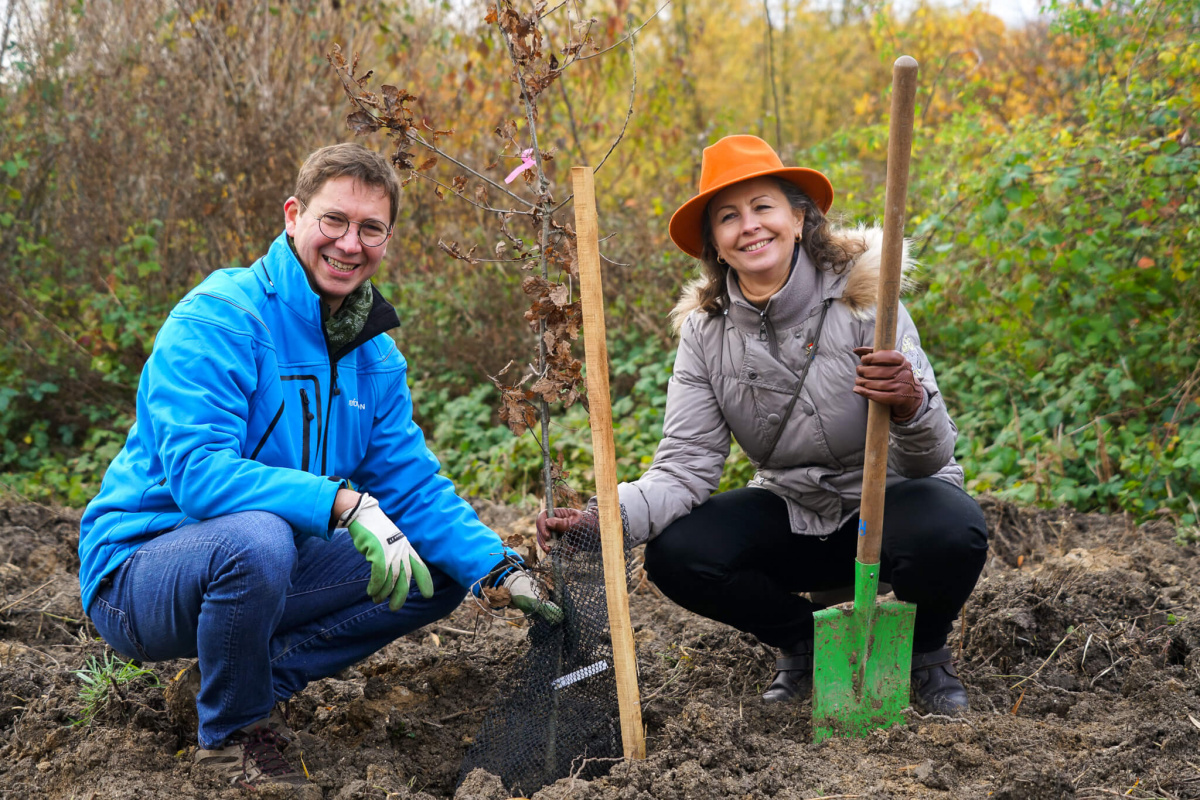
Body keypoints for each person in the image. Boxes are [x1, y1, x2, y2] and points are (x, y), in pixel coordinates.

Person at [79, 142, 558, 793]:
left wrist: (497, 567)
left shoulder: (375, 355)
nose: (349, 243)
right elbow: (198, 475)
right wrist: (344, 503)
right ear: (293, 216)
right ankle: (233, 738)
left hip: (264, 562)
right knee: (258, 540)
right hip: (140, 571)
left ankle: (247, 674)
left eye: (370, 228)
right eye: (333, 220)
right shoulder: (223, 316)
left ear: (387, 239)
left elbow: (413, 486)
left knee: (436, 560)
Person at [537, 134, 988, 715]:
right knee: (678, 554)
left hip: (891, 504)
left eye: (763, 208)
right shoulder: (706, 333)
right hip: (795, 510)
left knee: (954, 528)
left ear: (800, 220)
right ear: (716, 247)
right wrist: (612, 517)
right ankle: (805, 640)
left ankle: (925, 652)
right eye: (728, 217)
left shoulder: (867, 300)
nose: (748, 226)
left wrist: (909, 405)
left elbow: (930, 459)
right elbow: (684, 467)